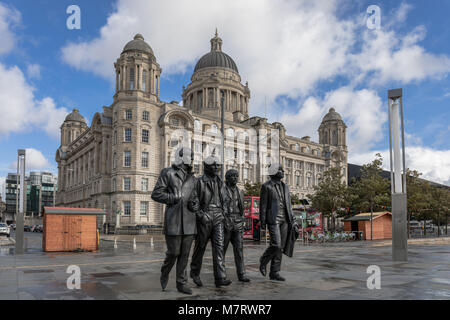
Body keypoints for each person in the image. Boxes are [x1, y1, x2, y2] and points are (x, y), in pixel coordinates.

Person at [151, 147, 197, 294]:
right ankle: (165, 271)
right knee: (173, 252)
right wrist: (172, 198)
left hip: (190, 221)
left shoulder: (194, 179)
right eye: (190, 155)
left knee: (185, 254)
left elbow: (196, 199)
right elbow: (156, 194)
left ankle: (181, 283)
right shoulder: (168, 172)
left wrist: (195, 204)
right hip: (174, 220)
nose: (192, 158)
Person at [189, 154, 232, 288]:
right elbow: (193, 202)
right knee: (200, 247)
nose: (216, 167)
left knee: (219, 247)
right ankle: (195, 272)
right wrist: (201, 215)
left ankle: (220, 277)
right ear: (206, 166)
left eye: (218, 165)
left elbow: (225, 200)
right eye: (213, 165)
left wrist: (224, 214)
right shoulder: (199, 181)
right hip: (205, 216)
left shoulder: (221, 182)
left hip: (219, 216)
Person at [259, 163, 299, 281]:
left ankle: (274, 272)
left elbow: (289, 205)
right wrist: (262, 220)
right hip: (273, 218)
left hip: (285, 219)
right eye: (280, 170)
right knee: (276, 244)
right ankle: (263, 260)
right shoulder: (267, 186)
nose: (283, 171)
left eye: (282, 169)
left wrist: (294, 220)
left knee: (280, 247)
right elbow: (263, 204)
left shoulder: (285, 187)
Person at [223, 169, 250, 282]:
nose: (235, 178)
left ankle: (241, 274)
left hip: (237, 222)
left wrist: (242, 220)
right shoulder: (222, 190)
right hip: (226, 221)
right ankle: (221, 275)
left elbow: (241, 208)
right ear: (227, 178)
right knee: (221, 251)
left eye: (236, 176)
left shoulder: (240, 191)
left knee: (239, 250)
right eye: (232, 176)